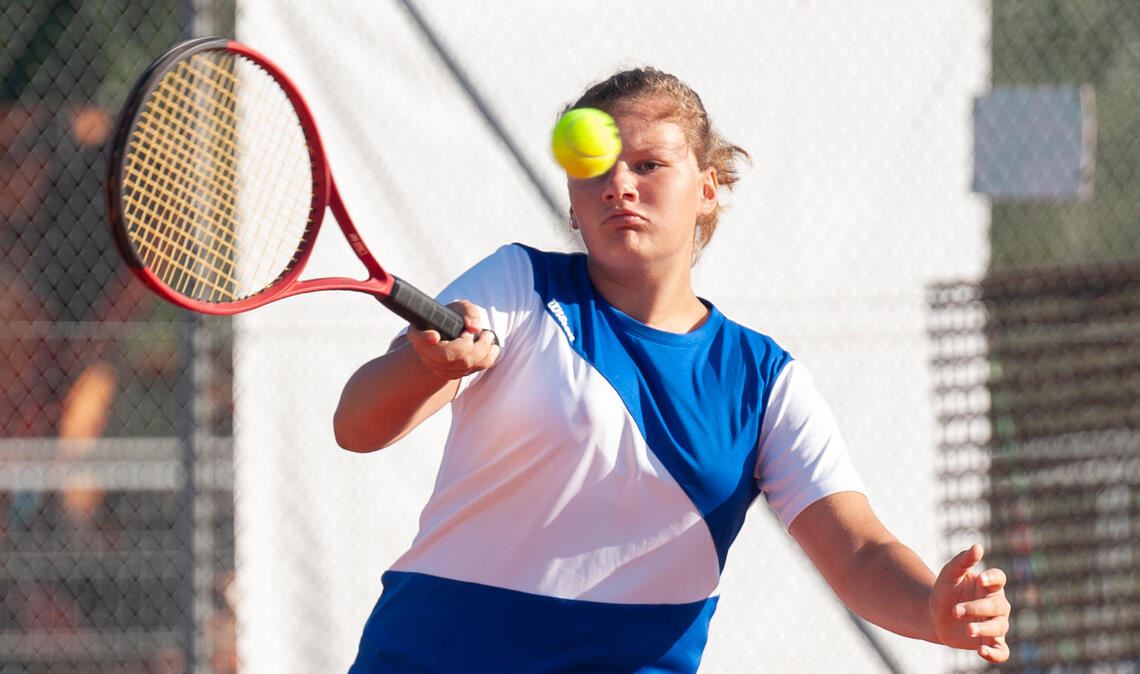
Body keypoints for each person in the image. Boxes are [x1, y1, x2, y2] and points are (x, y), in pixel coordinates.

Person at [334, 67, 1010, 673]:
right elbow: (356, 424)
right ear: (572, 203)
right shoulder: (518, 285)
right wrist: (425, 368)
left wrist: (931, 610)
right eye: (594, 168)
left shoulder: (761, 380)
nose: (619, 185)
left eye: (649, 164)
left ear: (708, 189)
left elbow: (858, 550)